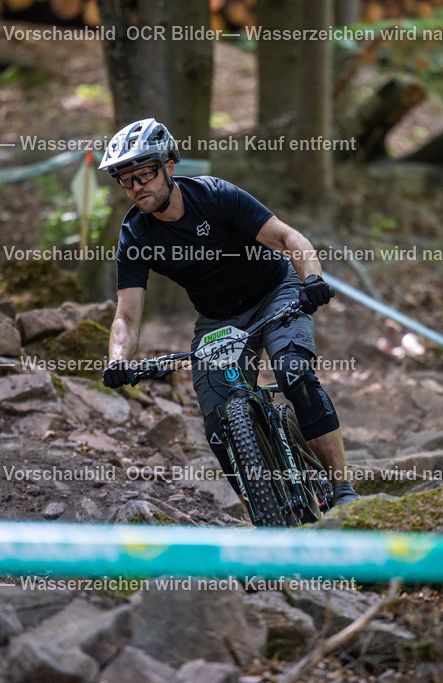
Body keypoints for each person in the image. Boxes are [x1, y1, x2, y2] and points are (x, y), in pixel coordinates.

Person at [98, 118, 360, 511]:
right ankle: (266, 511)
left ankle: (343, 491)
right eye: (127, 180)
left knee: (293, 372)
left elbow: (290, 238)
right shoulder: (136, 235)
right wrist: (119, 361)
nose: (137, 187)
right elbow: (127, 318)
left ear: (169, 167)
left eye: (145, 174)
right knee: (218, 423)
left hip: (275, 292)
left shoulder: (216, 196)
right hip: (218, 319)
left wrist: (312, 281)